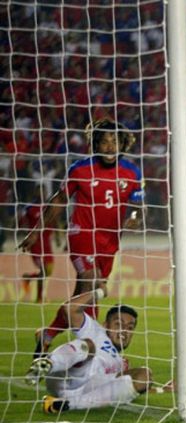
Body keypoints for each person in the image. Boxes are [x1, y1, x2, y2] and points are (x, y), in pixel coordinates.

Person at [19, 119, 145, 359]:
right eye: (104, 141)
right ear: (96, 144)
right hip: (81, 233)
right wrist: (36, 232)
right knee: (92, 280)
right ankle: (92, 348)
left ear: (123, 144)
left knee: (84, 294)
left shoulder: (132, 172)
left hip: (110, 240)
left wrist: (135, 218)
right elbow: (58, 201)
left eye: (115, 141)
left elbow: (139, 206)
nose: (109, 146)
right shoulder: (79, 169)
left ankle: (47, 335)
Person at [24, 284, 172, 413]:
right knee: (88, 345)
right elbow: (70, 308)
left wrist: (163, 389)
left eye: (130, 327)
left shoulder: (121, 363)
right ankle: (47, 364)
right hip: (64, 378)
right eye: (118, 324)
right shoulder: (95, 330)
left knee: (144, 375)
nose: (124, 331)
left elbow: (123, 389)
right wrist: (99, 292)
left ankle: (64, 405)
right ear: (105, 324)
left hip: (86, 391)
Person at [18, 199, 61, 303]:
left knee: (48, 270)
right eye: (39, 191)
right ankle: (39, 298)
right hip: (35, 244)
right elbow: (20, 222)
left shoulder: (49, 208)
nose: (41, 193)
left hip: (46, 244)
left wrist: (58, 237)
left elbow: (55, 221)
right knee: (43, 270)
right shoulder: (30, 209)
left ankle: (29, 277)